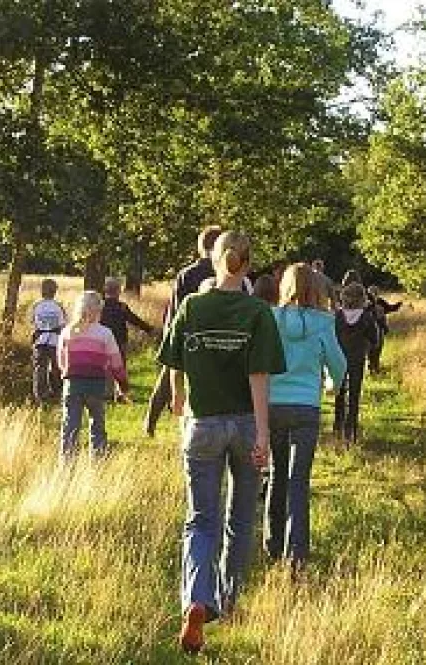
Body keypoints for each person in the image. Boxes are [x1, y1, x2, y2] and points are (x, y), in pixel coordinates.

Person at [158, 231, 285, 654]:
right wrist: (263, 433)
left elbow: (173, 359)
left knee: (200, 519)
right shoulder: (257, 312)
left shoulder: (193, 305)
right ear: (248, 265)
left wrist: (178, 397)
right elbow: (259, 376)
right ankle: (228, 599)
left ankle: (197, 598)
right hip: (246, 423)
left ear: (212, 261)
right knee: (240, 517)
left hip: (203, 424)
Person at [265, 263, 346, 575]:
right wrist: (331, 385)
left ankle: (272, 544)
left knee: (276, 473)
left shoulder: (271, 318)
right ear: (315, 289)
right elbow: (338, 365)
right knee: (299, 480)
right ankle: (296, 554)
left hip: (273, 404)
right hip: (306, 407)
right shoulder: (324, 322)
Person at [144, 225, 223, 437]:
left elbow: (175, 310)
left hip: (188, 335)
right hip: (218, 336)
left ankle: (150, 423)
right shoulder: (223, 274)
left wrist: (170, 337)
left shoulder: (186, 274)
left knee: (167, 380)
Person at [57, 291, 128, 459]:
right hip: (96, 386)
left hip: (72, 385)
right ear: (98, 310)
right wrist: (123, 384)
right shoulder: (105, 333)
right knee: (97, 426)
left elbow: (61, 362)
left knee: (70, 427)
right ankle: (98, 461)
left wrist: (67, 375)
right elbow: (116, 363)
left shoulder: (67, 332)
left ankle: (66, 466)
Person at [333, 283, 380, 444]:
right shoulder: (366, 317)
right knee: (354, 394)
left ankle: (337, 425)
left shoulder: (337, 316)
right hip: (357, 358)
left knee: (339, 392)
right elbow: (375, 339)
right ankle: (351, 430)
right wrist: (367, 347)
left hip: (338, 358)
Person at [100, 277, 157, 400]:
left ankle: (107, 392)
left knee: (106, 366)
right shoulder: (122, 307)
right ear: (118, 291)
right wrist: (149, 329)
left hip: (103, 341)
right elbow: (134, 320)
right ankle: (121, 393)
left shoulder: (100, 306)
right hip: (120, 340)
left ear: (105, 290)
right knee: (120, 366)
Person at [28, 278, 67, 403]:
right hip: (55, 341)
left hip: (40, 341)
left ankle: (40, 394)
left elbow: (32, 322)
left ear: (42, 291)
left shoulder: (36, 306)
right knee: (57, 367)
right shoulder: (58, 306)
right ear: (54, 291)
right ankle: (58, 392)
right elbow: (63, 324)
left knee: (40, 368)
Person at [366, 286, 403, 374]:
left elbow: (390, 308)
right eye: (372, 292)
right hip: (370, 330)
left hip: (380, 329)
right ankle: (372, 368)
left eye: (375, 292)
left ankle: (375, 367)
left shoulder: (380, 302)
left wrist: (399, 304)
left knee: (378, 349)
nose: (374, 294)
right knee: (371, 350)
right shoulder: (366, 303)